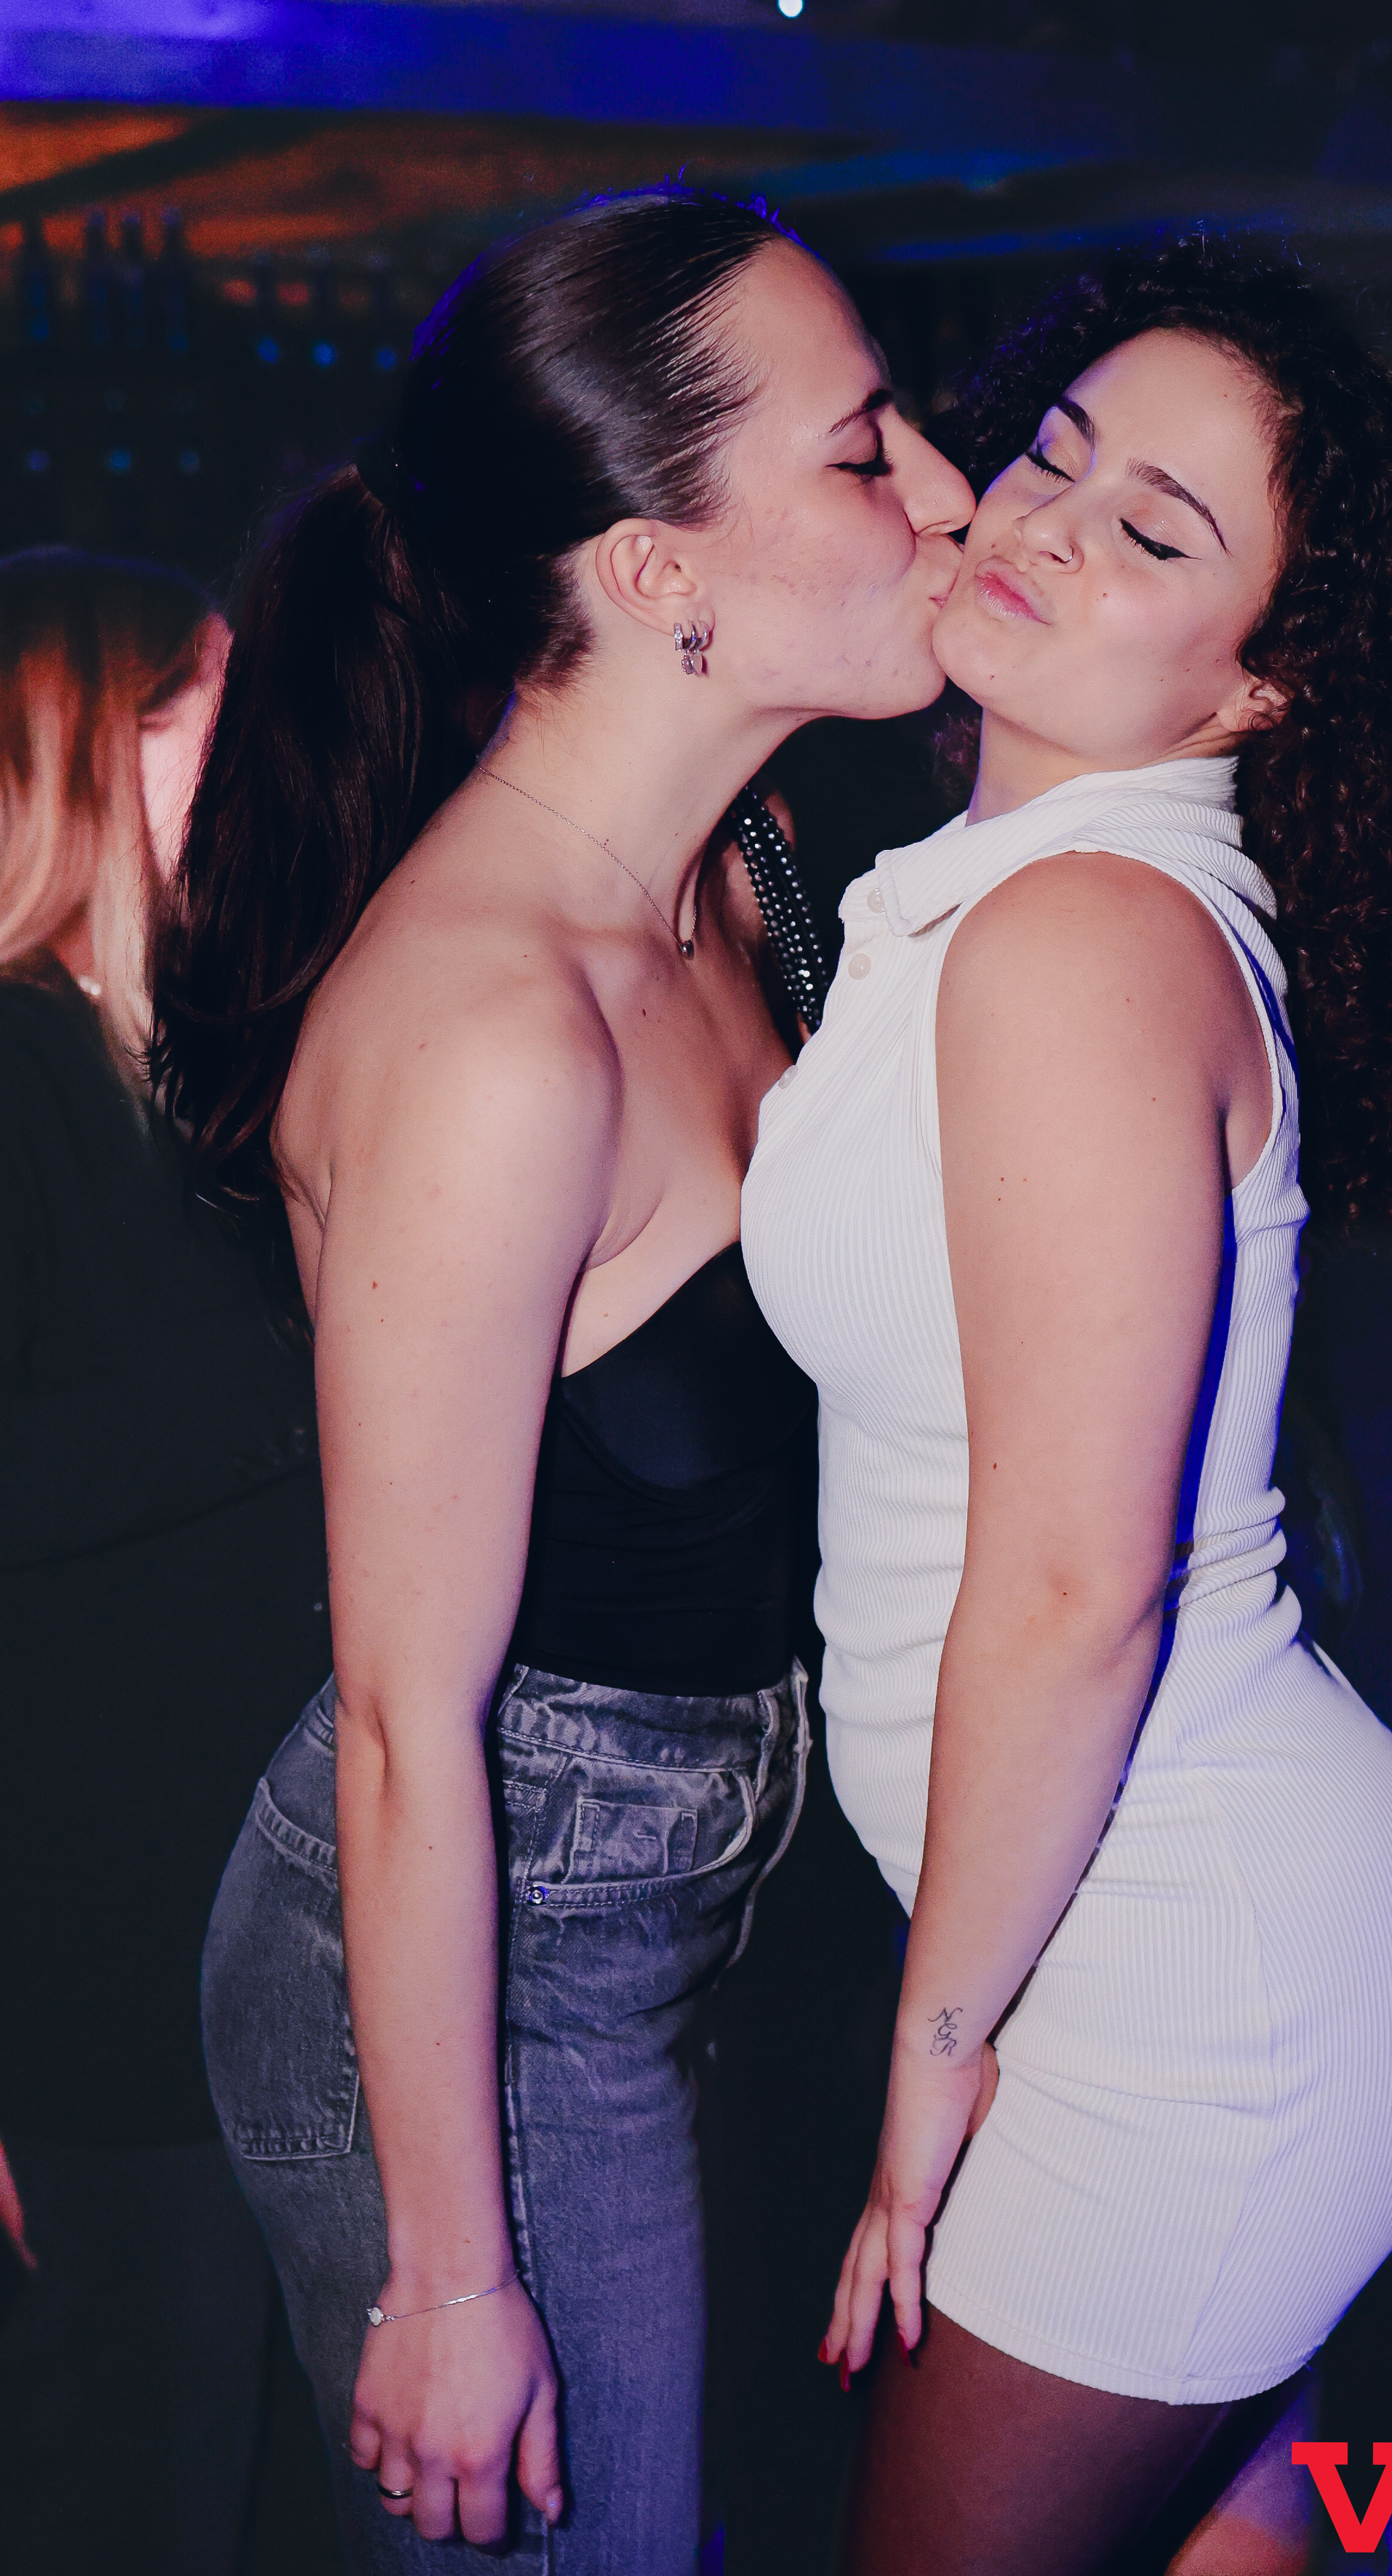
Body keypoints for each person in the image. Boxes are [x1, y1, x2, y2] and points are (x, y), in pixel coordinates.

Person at [741, 240, 1392, 2575]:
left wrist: (931, 2061)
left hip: (1180, 1980)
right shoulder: (1028, 883)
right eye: (1044, 453)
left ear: (1255, 683)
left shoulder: (1079, 938)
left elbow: (1073, 1584)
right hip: (1160, 1927)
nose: (1038, 525)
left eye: (1147, 532)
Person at [151, 186, 972, 2574]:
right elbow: (406, 1719)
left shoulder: (751, 872)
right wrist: (446, 2277)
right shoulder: (495, 1033)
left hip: (684, 1914)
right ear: (653, 572)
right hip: (468, 1986)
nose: (942, 491)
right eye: (864, 451)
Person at [0, 547, 334, 2574]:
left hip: (249, 1920)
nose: (260, 736)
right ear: (85, 747)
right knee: (144, 2481)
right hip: (100, 1957)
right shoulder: (12, 1061)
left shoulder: (191, 1052)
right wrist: (325, 1372)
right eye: (214, 697)